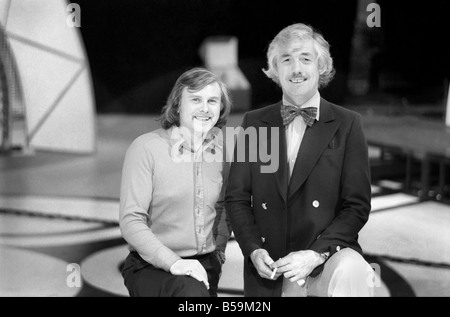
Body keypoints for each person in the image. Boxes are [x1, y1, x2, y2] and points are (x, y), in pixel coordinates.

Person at [225, 23, 375, 297]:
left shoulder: (348, 123)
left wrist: (315, 255)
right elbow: (237, 197)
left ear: (321, 67)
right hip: (272, 266)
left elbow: (357, 205)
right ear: (275, 70)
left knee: (356, 272)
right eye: (286, 59)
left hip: (326, 260)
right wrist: (253, 249)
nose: (296, 68)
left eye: (305, 59)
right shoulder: (255, 124)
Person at [119, 67, 232, 297]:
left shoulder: (222, 151)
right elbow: (131, 220)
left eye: (212, 101)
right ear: (178, 105)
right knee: (189, 294)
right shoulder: (145, 148)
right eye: (196, 99)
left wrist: (217, 252)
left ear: (221, 108)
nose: (204, 108)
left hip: (204, 267)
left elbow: (224, 206)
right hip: (152, 266)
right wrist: (174, 263)